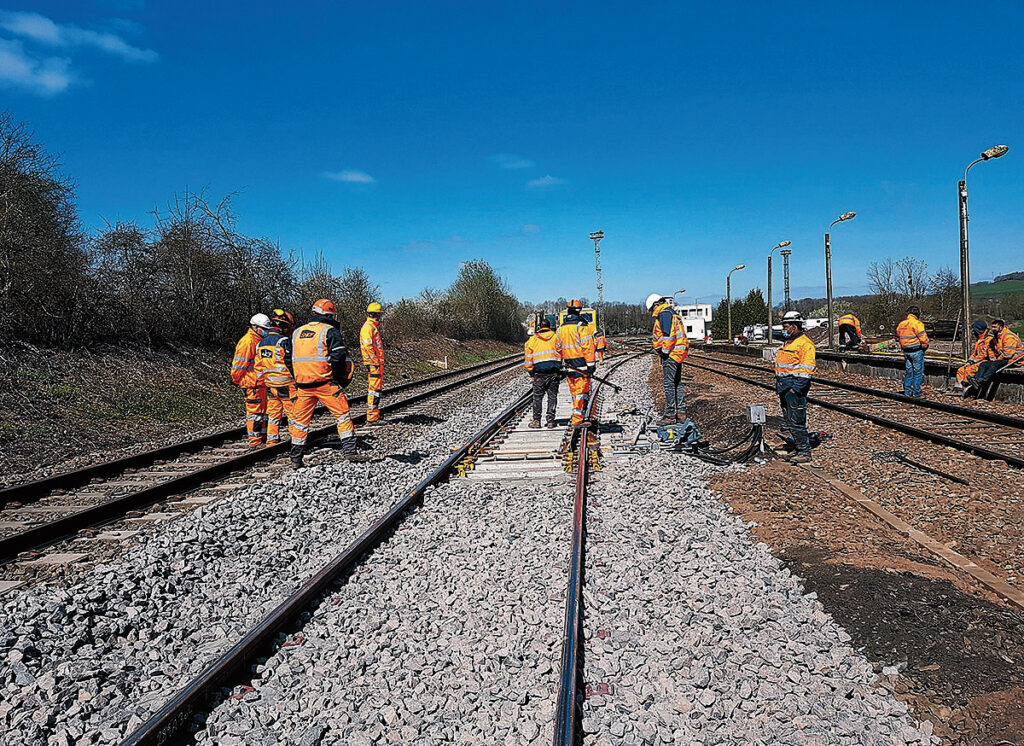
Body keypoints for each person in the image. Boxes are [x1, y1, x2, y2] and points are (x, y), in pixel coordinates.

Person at [285, 299, 362, 468]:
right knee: (342, 415)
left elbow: (287, 358)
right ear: (330, 315)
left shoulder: (296, 332)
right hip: (326, 384)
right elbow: (339, 357)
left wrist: (297, 376)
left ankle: (296, 458)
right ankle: (350, 452)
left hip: (303, 386)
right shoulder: (329, 331)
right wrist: (338, 378)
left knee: (300, 422)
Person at [774, 310, 816, 463]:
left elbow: (806, 371)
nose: (783, 330)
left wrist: (795, 389)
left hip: (794, 388)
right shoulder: (789, 343)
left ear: (794, 326)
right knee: (789, 421)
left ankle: (804, 452)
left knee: (797, 422)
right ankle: (797, 447)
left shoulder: (805, 344)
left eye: (786, 326)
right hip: (784, 387)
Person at [645, 293, 690, 425]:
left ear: (656, 304)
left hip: (671, 353)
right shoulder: (672, 313)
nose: (652, 312)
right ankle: (681, 413)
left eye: (652, 309)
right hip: (678, 353)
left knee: (669, 384)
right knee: (677, 383)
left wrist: (664, 352)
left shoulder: (664, 314)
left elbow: (668, 335)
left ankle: (669, 415)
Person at [255, 310, 296, 444]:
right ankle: (296, 439)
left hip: (270, 385)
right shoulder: (283, 341)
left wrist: (261, 382)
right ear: (283, 327)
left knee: (273, 414)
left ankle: (272, 440)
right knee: (292, 413)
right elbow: (290, 363)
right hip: (286, 384)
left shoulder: (260, 344)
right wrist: (297, 379)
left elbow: (258, 367)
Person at [232, 313, 272, 448]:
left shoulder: (259, 341)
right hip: (252, 384)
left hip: (260, 383)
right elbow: (238, 366)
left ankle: (263, 438)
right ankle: (255, 441)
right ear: (255, 327)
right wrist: (237, 380)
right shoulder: (248, 341)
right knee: (255, 414)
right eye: (264, 329)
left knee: (263, 414)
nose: (266, 331)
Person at [558, 299, 596, 426]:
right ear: (579, 311)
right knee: (581, 393)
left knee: (575, 392)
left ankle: (577, 415)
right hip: (581, 365)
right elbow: (588, 347)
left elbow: (558, 347)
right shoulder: (581, 326)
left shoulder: (561, 328)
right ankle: (578, 419)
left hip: (568, 365)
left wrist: (560, 363)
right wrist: (591, 365)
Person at [524, 318, 561, 428]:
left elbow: (528, 358)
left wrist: (531, 372)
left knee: (537, 397)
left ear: (539, 327)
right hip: (554, 372)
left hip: (539, 373)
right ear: (549, 327)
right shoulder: (556, 337)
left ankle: (536, 421)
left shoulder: (532, 340)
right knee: (552, 396)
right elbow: (562, 352)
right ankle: (550, 420)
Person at [972, 318, 1023, 393]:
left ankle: (982, 380)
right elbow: (991, 348)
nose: (992, 329)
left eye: (994, 327)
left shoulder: (1009, 337)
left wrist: (997, 359)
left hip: (1015, 360)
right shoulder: (997, 337)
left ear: (1001, 327)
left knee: (994, 365)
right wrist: (992, 357)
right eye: (992, 327)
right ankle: (976, 380)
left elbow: (1008, 354)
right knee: (983, 364)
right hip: (1005, 359)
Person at [896, 305, 929, 398]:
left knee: (909, 372)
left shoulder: (901, 324)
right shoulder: (917, 323)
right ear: (917, 314)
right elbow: (923, 338)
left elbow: (898, 337)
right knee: (917, 373)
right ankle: (916, 393)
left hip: (906, 351)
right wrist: (925, 346)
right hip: (916, 351)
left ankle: (907, 391)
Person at [360, 302, 385, 423]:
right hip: (374, 364)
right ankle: (372, 416)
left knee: (376, 389)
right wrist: (375, 361)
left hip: (375, 363)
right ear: (376, 314)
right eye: (380, 314)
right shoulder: (368, 327)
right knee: (374, 390)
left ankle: (374, 414)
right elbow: (367, 346)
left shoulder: (371, 327)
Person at [952, 321, 991, 396]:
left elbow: (983, 354)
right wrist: (969, 361)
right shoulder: (979, 340)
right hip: (978, 361)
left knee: (969, 371)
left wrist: (973, 362)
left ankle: (967, 390)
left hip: (985, 361)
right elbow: (974, 353)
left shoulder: (988, 340)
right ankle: (958, 389)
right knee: (961, 370)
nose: (973, 332)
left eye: (974, 330)